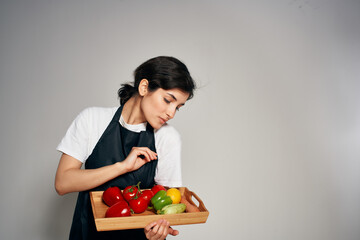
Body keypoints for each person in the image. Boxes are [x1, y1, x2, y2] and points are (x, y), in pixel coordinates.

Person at [55, 56, 196, 240]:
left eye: (178, 107)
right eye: (168, 100)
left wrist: (158, 231)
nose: (171, 113)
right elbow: (62, 183)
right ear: (144, 87)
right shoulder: (92, 120)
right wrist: (122, 167)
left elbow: (168, 202)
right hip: (86, 233)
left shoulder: (167, 138)